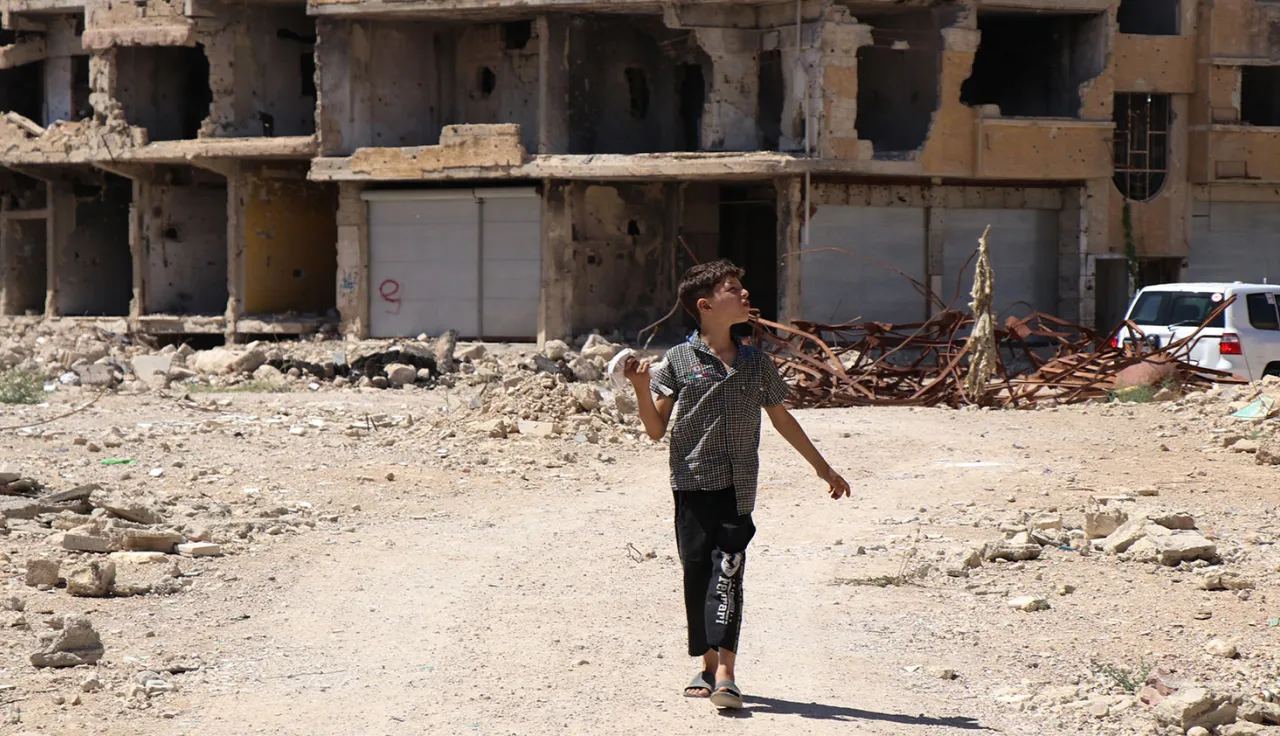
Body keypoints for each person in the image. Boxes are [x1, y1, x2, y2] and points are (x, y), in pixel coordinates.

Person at [624, 258, 850, 710]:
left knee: (728, 574)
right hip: (690, 485)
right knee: (698, 576)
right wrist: (640, 387)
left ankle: (726, 672)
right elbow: (654, 429)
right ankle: (706, 664)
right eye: (733, 289)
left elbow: (782, 419)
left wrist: (822, 468)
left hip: (737, 488)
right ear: (706, 306)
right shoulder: (678, 362)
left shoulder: (755, 364)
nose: (745, 294)